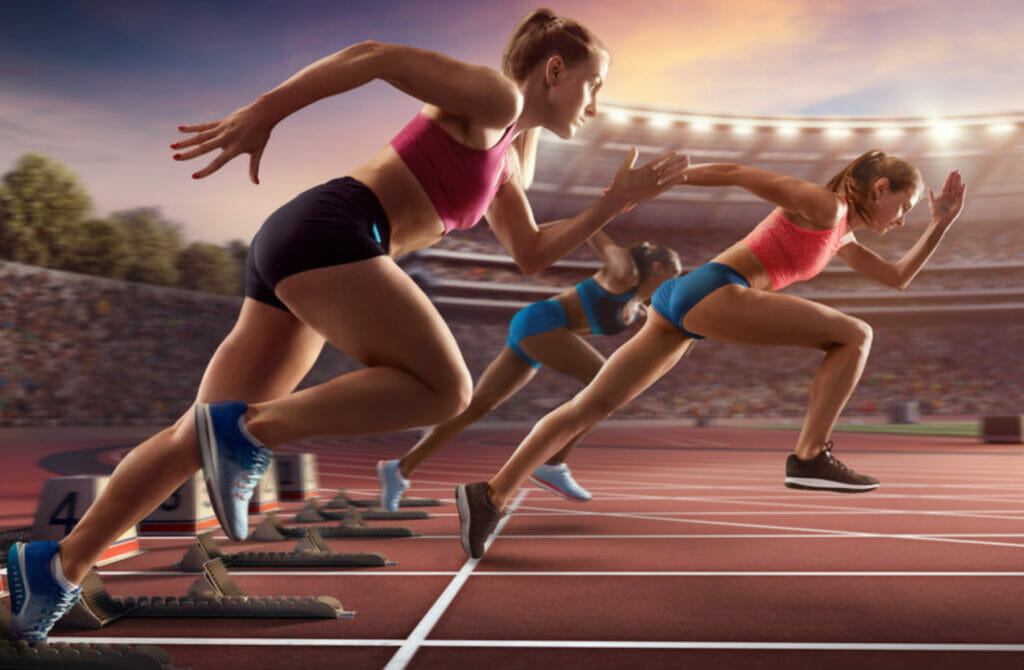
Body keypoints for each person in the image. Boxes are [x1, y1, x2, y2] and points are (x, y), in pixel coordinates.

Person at [5, 8, 691, 643]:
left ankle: (54, 571)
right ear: (553, 71)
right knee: (444, 390)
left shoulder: (514, 152)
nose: (595, 105)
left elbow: (532, 253)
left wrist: (613, 202)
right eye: (592, 85)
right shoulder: (497, 99)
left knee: (193, 434)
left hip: (310, 245)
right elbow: (374, 55)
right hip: (334, 230)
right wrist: (265, 112)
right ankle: (247, 432)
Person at [455, 151, 966, 558]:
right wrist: (653, 185)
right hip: (714, 289)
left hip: (680, 301)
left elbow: (898, 278)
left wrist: (940, 224)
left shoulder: (841, 235)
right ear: (881, 188)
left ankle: (490, 495)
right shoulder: (824, 206)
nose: (903, 220)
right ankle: (810, 456)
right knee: (855, 335)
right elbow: (739, 172)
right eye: (905, 207)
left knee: (587, 407)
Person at [377, 232, 682, 510]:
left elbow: (666, 337)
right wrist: (554, 229)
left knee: (478, 406)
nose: (677, 282)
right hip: (542, 322)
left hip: (538, 330)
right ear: (657, 267)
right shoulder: (623, 273)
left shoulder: (639, 309)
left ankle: (400, 468)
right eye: (675, 274)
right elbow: (596, 236)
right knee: (605, 384)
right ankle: (552, 464)